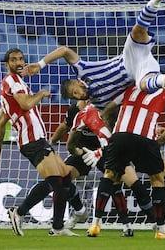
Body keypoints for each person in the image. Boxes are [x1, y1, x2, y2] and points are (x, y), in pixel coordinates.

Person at [21, 0, 165, 110]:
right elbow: (109, 112)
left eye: (76, 92)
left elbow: (64, 51)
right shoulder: (99, 103)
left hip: (128, 57)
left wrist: (40, 64)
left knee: (137, 31)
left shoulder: (83, 70)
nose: (79, 96)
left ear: (77, 82)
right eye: (75, 97)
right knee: (144, 84)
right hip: (137, 73)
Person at [0, 48, 81, 237]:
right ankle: (22, 214)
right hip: (31, 141)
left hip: (37, 140)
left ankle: (57, 224)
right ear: (7, 65)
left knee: (63, 179)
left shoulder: (12, 87)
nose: (19, 62)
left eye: (21, 58)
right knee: (57, 183)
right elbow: (26, 104)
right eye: (14, 60)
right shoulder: (11, 81)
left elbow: (0, 123)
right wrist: (40, 94)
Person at [86, 84, 165, 239]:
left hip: (121, 135)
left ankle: (95, 224)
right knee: (157, 179)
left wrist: (113, 131)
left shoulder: (130, 88)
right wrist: (163, 137)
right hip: (145, 138)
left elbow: (107, 111)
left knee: (109, 175)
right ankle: (161, 230)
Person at [50, 100, 135, 237]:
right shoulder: (75, 110)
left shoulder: (108, 108)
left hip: (104, 150)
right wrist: (51, 141)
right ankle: (71, 216)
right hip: (83, 150)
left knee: (116, 183)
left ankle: (126, 226)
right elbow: (66, 126)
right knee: (62, 178)